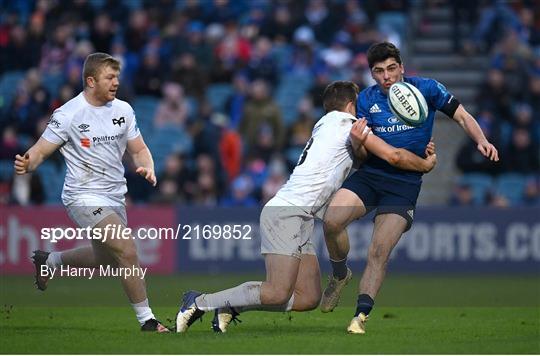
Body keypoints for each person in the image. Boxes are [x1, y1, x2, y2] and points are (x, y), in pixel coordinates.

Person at [175, 81, 437, 333]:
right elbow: (392, 155)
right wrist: (424, 163)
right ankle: (200, 301)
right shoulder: (346, 123)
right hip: (286, 212)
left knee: (307, 297)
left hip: (300, 215)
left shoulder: (326, 125)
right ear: (350, 105)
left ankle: (230, 308)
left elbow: (362, 158)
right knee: (277, 291)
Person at [319, 42, 499, 334]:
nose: (386, 76)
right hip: (371, 175)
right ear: (372, 74)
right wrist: (356, 143)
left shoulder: (426, 89)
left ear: (401, 67)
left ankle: (359, 317)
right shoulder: (366, 100)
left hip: (403, 184)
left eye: (391, 68)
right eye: (378, 71)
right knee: (331, 220)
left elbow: (463, 116)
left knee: (379, 250)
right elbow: (362, 156)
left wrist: (481, 140)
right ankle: (340, 275)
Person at [14, 52, 168, 332]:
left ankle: (51, 261)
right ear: (91, 81)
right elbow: (40, 150)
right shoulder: (69, 114)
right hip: (82, 195)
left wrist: (147, 167)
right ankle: (148, 321)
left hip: (114, 196)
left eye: (117, 77)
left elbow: (140, 149)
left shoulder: (123, 110)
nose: (116, 83)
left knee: (110, 257)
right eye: (110, 77)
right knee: (126, 248)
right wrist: (28, 163)